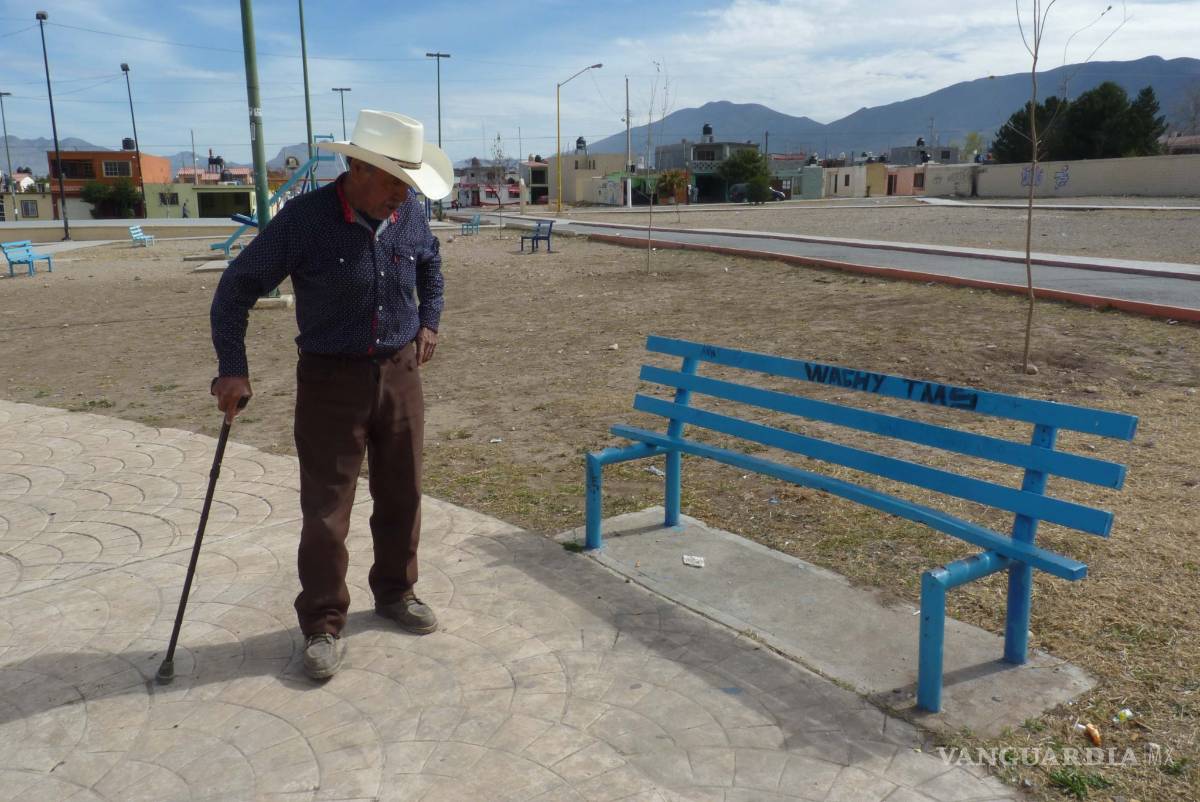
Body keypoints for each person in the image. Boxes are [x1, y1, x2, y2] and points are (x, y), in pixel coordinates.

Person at [210, 110, 452, 681]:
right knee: (326, 514)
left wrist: (430, 322)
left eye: (409, 181)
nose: (403, 193)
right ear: (358, 166)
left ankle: (396, 592)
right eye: (394, 179)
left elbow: (432, 269)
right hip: (329, 382)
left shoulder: (411, 214)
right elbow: (235, 288)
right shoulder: (306, 220)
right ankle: (321, 622)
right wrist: (233, 368)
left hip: (399, 373)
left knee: (404, 494)